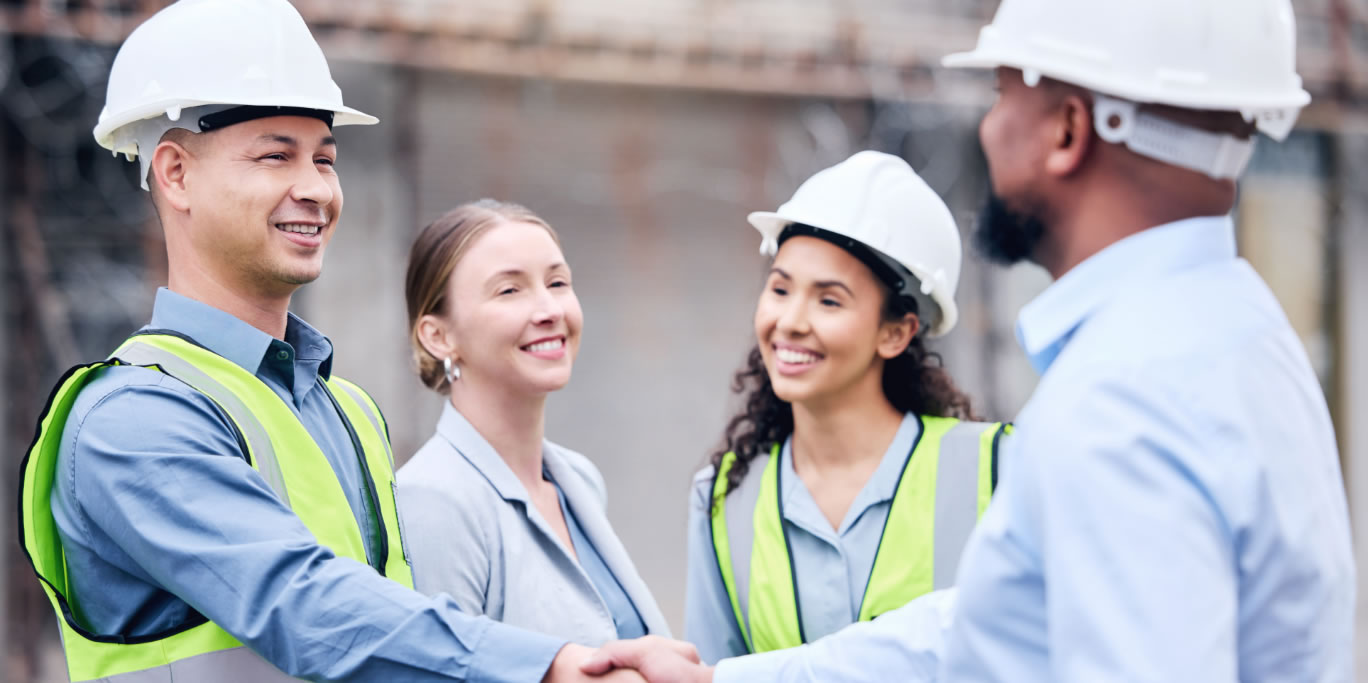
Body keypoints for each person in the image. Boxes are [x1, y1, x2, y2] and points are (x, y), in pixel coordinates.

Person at [582, 0, 1355, 680]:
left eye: (999, 92)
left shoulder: (1125, 400)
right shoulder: (1240, 337)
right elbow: (975, 630)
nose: (987, 127)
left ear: (1067, 130)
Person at [17, 1, 684, 680]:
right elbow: (305, 604)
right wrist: (547, 665)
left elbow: (397, 629)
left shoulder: (349, 411)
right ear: (176, 173)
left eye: (325, 159)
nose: (315, 189)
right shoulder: (130, 421)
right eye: (276, 155)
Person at [683, 151, 1007, 664]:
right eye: (780, 288)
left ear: (896, 332)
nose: (790, 320)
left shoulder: (999, 469)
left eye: (828, 301)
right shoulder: (723, 497)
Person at [397, 200, 670, 645]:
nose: (549, 310)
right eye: (509, 291)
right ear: (439, 336)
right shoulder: (431, 502)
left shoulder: (578, 479)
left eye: (558, 282)